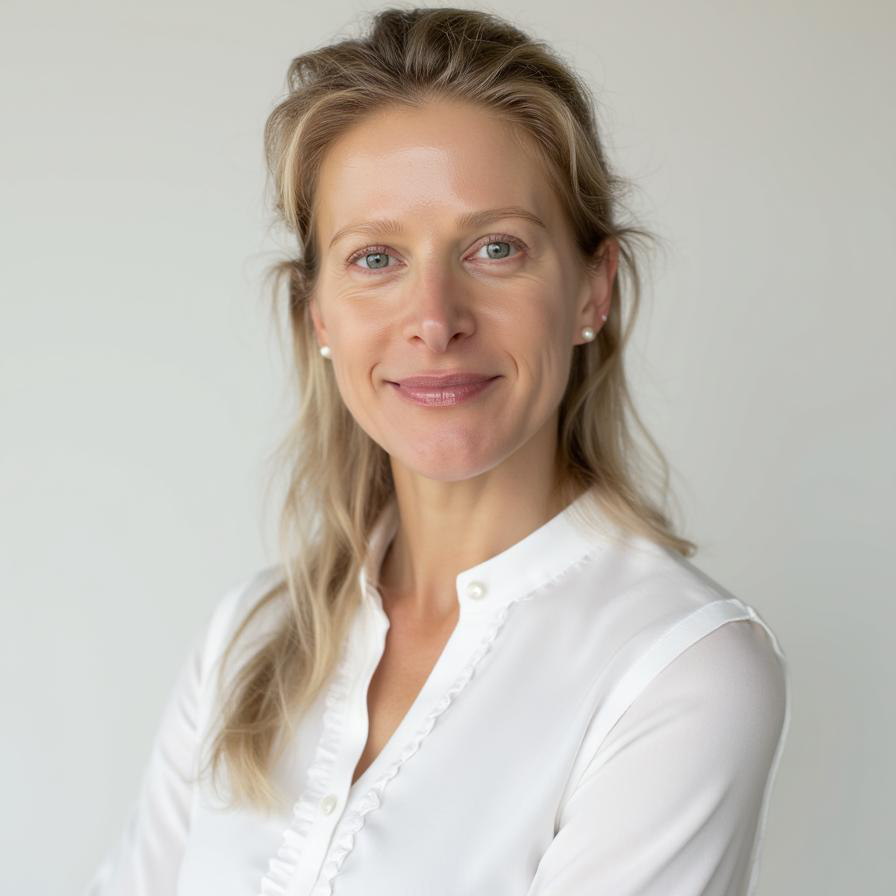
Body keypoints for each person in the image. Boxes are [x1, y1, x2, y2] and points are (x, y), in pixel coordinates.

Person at [86, 7, 790, 895]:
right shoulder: (248, 636)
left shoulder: (680, 668)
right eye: (376, 258)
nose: (434, 319)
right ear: (320, 317)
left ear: (591, 289)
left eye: (496, 248)